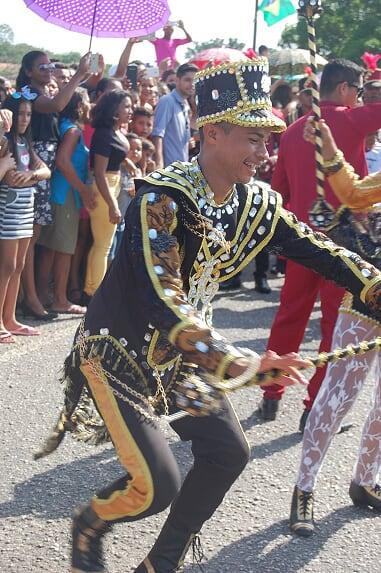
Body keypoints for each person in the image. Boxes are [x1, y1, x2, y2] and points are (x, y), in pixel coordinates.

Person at [34, 57, 381, 573]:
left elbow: (319, 248)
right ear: (213, 133)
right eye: (252, 139)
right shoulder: (162, 197)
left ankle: (160, 564)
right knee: (156, 486)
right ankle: (90, 521)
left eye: (267, 140)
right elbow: (161, 295)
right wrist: (237, 361)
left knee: (227, 453)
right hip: (120, 351)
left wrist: (373, 284)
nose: (263, 153)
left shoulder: (255, 203)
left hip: (184, 360)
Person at [259, 58, 381, 428]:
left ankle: (270, 394)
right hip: (344, 241)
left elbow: (278, 190)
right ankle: (315, 404)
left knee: (290, 315)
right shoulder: (349, 119)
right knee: (333, 323)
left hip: (300, 238)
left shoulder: (295, 129)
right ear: (345, 88)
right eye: (359, 91)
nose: (362, 99)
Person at [290, 117, 381, 536]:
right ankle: (304, 490)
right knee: (336, 398)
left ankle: (365, 481)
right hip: (368, 296)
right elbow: (352, 193)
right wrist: (328, 145)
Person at [16, 50, 90, 320]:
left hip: (44, 170)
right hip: (33, 165)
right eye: (41, 66)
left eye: (49, 65)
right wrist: (79, 74)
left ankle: (28, 295)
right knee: (27, 239)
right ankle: (30, 298)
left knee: (33, 239)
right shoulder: (28, 95)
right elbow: (58, 105)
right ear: (27, 71)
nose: (48, 69)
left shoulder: (42, 94)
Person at [37, 89, 96, 315]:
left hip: (56, 193)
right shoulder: (72, 131)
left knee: (50, 249)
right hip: (66, 194)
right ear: (80, 105)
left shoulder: (61, 125)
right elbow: (63, 161)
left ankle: (44, 296)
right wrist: (83, 190)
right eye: (87, 101)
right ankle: (60, 300)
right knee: (63, 250)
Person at [0, 93, 50, 342]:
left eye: (28, 114)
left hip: (25, 210)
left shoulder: (24, 142)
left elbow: (46, 170)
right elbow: (5, 175)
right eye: (20, 113)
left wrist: (31, 175)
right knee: (6, 266)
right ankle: (0, 321)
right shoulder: (5, 142)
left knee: (18, 266)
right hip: (8, 211)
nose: (24, 118)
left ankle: (10, 318)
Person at [81, 89, 132, 304]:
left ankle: (94, 290)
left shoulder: (114, 131)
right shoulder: (103, 134)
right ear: (114, 110)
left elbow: (117, 156)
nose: (130, 111)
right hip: (105, 189)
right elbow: (99, 172)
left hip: (114, 184)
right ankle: (94, 293)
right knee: (103, 245)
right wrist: (112, 205)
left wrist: (129, 165)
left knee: (105, 244)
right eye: (126, 107)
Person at [152, 62, 197, 168]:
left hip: (181, 170)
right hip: (168, 170)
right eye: (187, 80)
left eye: (195, 80)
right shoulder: (167, 101)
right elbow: (158, 134)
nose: (192, 84)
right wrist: (159, 165)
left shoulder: (185, 104)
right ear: (177, 80)